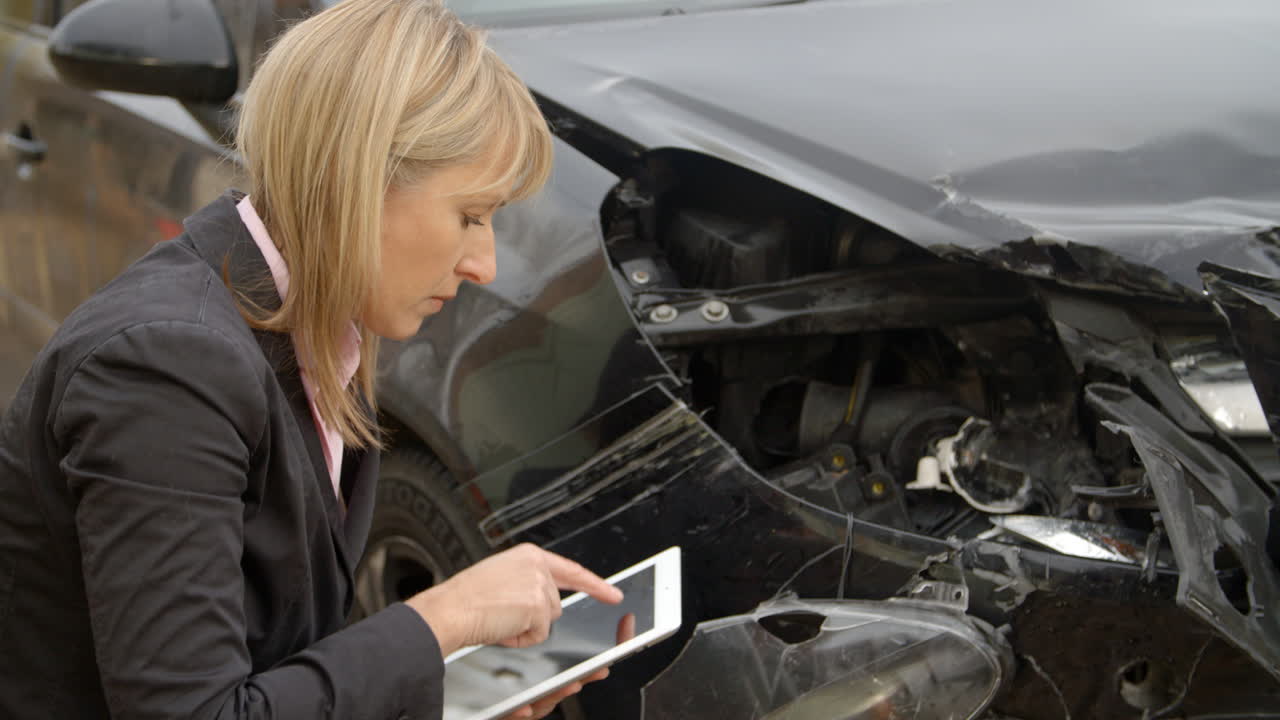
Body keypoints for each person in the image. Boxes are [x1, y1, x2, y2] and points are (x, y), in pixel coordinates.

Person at [0, 1, 620, 718]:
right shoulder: (166, 367)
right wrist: (438, 621)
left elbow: (268, 656)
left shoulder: (306, 329)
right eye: (471, 216)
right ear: (355, 177)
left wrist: (442, 685)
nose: (483, 262)